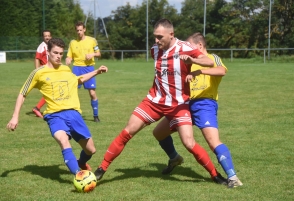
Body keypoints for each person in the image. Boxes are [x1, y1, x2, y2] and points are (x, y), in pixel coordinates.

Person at [93, 19, 227, 185]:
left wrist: (191, 61)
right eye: (154, 37)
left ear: (171, 34)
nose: (156, 41)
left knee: (189, 143)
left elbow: (208, 62)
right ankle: (101, 169)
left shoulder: (185, 48)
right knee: (128, 131)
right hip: (154, 101)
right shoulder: (155, 50)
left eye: (159, 37)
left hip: (178, 105)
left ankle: (215, 175)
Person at [152, 32, 243, 188]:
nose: (187, 49)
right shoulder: (189, 61)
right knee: (159, 133)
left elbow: (222, 71)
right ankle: (174, 158)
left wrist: (199, 71)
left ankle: (233, 177)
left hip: (204, 104)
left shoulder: (212, 58)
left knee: (213, 142)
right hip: (184, 105)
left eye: (190, 46)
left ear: (200, 45)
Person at [6, 38, 108, 175]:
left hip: (73, 114)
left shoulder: (66, 69)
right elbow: (22, 94)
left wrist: (96, 71)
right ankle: (79, 175)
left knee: (91, 150)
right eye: (55, 53)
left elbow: (80, 80)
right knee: (63, 140)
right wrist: (15, 117)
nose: (59, 56)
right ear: (48, 52)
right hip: (54, 115)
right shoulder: (38, 73)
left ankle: (81, 162)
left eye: (61, 53)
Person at [66, 21, 101, 122]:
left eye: (81, 30)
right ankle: (72, 114)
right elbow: (69, 56)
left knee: (92, 93)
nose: (79, 32)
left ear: (84, 30)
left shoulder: (92, 40)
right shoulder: (73, 42)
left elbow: (98, 53)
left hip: (89, 68)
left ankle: (95, 116)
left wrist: (92, 55)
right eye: (77, 30)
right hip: (77, 68)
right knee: (72, 92)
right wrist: (68, 59)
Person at [32, 30, 52, 118]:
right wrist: (37, 71)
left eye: (48, 35)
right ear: (43, 37)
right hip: (45, 71)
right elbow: (37, 58)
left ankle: (39, 108)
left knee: (51, 91)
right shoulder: (41, 46)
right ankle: (37, 108)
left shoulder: (51, 46)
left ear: (50, 36)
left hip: (51, 71)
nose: (47, 37)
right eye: (45, 36)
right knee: (51, 91)